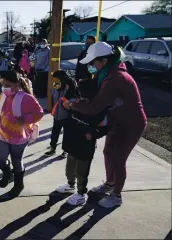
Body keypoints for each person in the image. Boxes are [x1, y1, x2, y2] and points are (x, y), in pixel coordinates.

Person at [63, 42, 147, 208]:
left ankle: (116, 196)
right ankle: (109, 184)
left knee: (118, 158)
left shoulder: (115, 78)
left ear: (104, 60)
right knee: (108, 152)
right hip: (116, 121)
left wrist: (73, 105)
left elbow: (95, 107)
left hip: (131, 124)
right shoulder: (108, 73)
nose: (92, 65)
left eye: (94, 62)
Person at [55, 77, 109, 205]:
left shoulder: (98, 110)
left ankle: (81, 194)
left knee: (82, 171)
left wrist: (94, 134)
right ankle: (70, 185)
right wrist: (67, 107)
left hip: (85, 146)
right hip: (72, 141)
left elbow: (104, 127)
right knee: (70, 167)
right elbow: (68, 115)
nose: (79, 94)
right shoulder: (76, 103)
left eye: (80, 91)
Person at [0, 71, 44, 198]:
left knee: (17, 161)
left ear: (16, 85)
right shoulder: (2, 96)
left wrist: (25, 119)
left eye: (7, 85)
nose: (4, 88)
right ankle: (7, 173)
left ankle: (18, 184)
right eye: (3, 85)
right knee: (0, 159)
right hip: (3, 134)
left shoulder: (26, 98)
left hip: (19, 137)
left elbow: (39, 113)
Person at [45, 70, 77, 157]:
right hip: (57, 115)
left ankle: (66, 150)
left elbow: (74, 98)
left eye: (56, 78)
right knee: (55, 132)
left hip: (67, 115)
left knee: (67, 134)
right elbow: (53, 96)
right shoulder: (56, 85)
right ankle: (52, 148)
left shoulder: (70, 85)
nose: (54, 80)